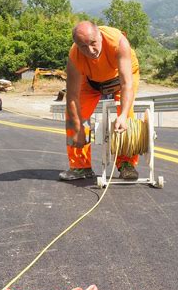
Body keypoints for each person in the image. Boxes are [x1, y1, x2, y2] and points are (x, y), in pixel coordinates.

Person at [59, 21, 140, 181]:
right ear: (77, 45)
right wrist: (78, 128)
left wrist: (122, 115)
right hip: (91, 81)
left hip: (120, 79)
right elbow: (72, 96)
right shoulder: (75, 56)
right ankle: (80, 167)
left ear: (100, 36)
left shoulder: (118, 42)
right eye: (83, 46)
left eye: (93, 43)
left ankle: (126, 165)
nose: (90, 50)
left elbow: (126, 84)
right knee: (73, 118)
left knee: (126, 117)